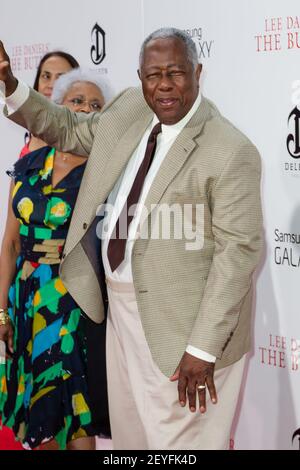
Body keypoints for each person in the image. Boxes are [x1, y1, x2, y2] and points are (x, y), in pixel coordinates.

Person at [0, 27, 263, 450]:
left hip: (182, 332)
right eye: (152, 74)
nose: (163, 85)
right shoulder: (130, 112)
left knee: (179, 449)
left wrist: (203, 349)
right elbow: (65, 126)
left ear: (198, 72)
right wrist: (12, 88)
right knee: (131, 443)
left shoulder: (229, 149)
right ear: (139, 77)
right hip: (120, 319)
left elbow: (238, 257)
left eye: (176, 73)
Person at [0, 68, 112, 450]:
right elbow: (10, 245)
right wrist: (2, 311)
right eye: (76, 101)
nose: (84, 109)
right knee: (39, 413)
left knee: (76, 414)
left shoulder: (105, 174)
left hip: (75, 303)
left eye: (95, 105)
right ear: (55, 108)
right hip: (27, 302)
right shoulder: (26, 169)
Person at [19, 51, 79, 158]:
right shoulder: (33, 133)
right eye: (46, 76)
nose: (51, 85)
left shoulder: (81, 136)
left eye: (61, 78)